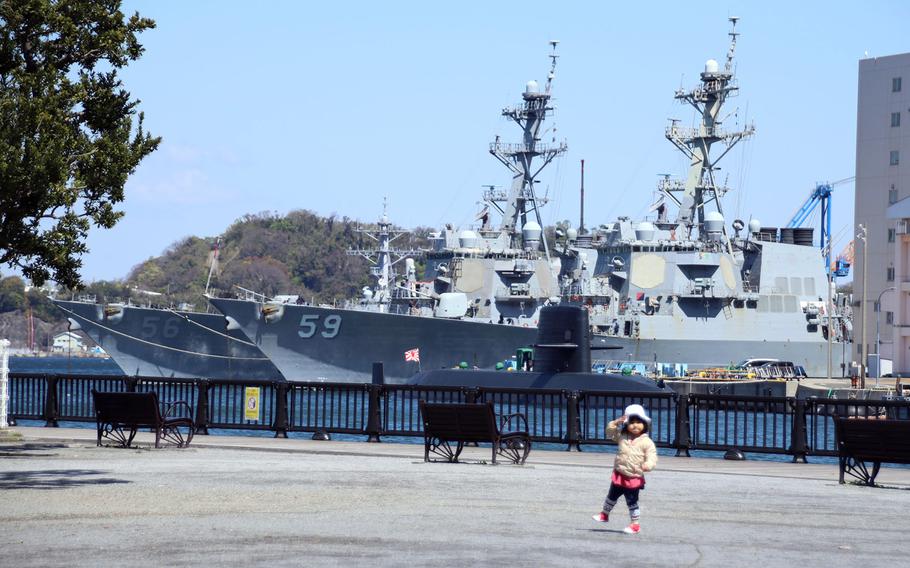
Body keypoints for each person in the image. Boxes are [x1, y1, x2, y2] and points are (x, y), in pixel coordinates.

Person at [591, 404, 657, 534]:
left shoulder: (646, 442)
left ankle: (635, 524)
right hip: (619, 473)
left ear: (645, 424)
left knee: (632, 502)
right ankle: (604, 514)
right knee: (611, 496)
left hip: (633, 476)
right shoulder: (622, 436)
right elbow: (610, 433)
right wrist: (615, 422)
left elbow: (652, 455)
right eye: (632, 422)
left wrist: (648, 465)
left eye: (639, 422)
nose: (635, 425)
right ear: (626, 424)